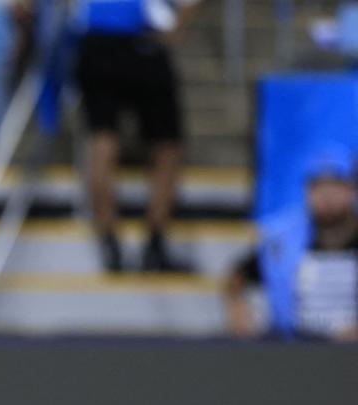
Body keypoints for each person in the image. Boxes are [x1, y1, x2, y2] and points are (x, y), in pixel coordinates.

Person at [73, 0, 200, 272]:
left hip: (97, 39)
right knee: (166, 144)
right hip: (142, 38)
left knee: (102, 137)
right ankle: (154, 242)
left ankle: (110, 242)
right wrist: (177, 27)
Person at [226, 147, 358, 342]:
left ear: (351, 190)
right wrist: (238, 309)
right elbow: (238, 278)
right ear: (307, 192)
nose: (326, 196)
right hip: (298, 348)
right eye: (318, 187)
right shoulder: (282, 243)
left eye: (335, 186)